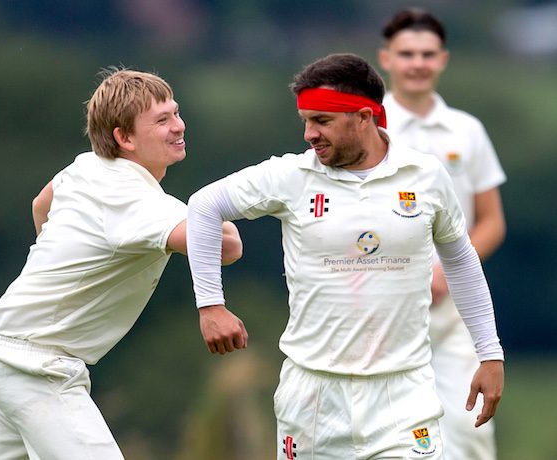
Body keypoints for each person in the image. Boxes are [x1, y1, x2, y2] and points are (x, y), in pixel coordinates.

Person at [186, 53, 504, 459]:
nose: (308, 134)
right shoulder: (291, 177)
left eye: (322, 121)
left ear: (364, 116)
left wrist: (489, 353)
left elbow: (461, 263)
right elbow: (203, 206)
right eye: (305, 121)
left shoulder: (425, 176)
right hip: (314, 396)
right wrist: (211, 304)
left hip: (403, 395)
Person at [0, 67, 243, 459]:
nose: (178, 126)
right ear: (124, 137)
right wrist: (215, 214)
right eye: (162, 120)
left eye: (176, 112)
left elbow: (40, 204)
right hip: (39, 366)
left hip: (3, 349)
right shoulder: (133, 199)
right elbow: (226, 246)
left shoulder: (87, 166)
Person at [377, 9, 507, 459]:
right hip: (382, 307)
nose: (418, 63)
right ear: (386, 58)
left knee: (467, 432)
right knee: (387, 433)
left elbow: (491, 221)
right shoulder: (367, 129)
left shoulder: (467, 131)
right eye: (407, 53)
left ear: (443, 59)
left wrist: (447, 274)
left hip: (454, 314)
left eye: (428, 54)